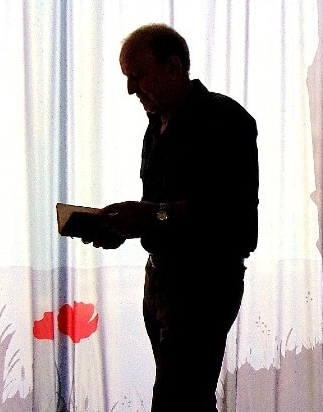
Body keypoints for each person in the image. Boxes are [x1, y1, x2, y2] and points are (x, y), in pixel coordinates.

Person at [81, 23, 259, 411]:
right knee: (189, 399)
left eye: (138, 75)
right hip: (162, 280)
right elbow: (165, 213)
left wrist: (146, 216)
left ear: (174, 65)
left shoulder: (226, 120)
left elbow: (228, 215)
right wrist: (123, 226)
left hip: (205, 282)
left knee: (176, 400)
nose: (131, 89)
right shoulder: (155, 129)